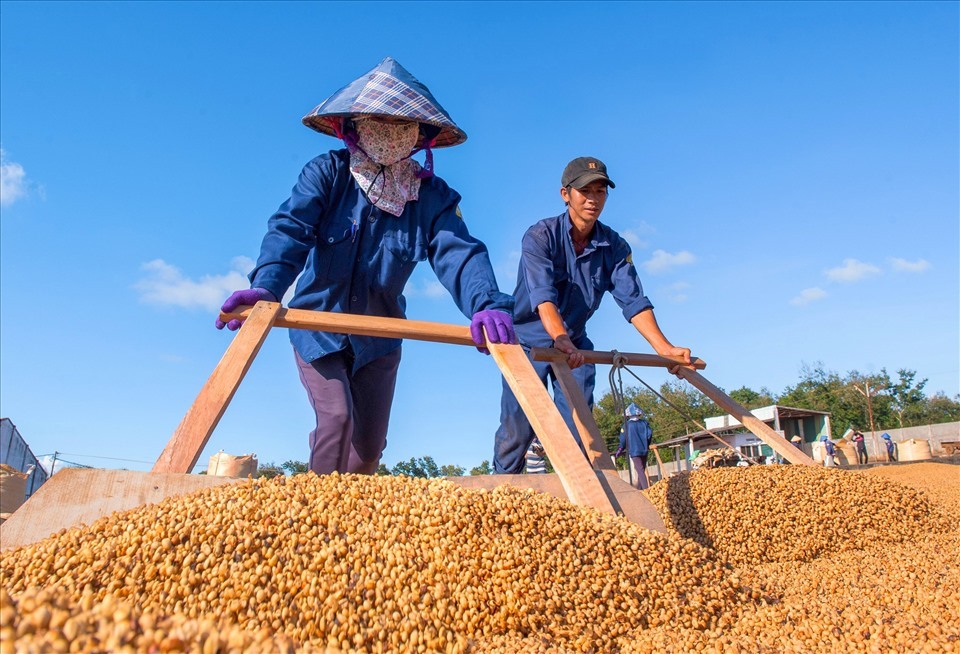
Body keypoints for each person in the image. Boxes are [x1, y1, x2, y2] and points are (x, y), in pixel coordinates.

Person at [215, 58, 516, 475]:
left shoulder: (431, 196)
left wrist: (486, 302)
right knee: (337, 419)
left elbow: (459, 252)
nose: (390, 133)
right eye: (378, 121)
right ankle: (315, 519)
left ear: (420, 135)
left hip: (381, 335)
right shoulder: (328, 174)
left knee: (370, 447)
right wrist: (268, 286)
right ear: (353, 126)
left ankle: (358, 528)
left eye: (401, 125)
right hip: (318, 326)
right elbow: (291, 230)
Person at [493, 156, 691, 474]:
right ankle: (504, 488)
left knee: (580, 427)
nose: (593, 199)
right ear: (565, 194)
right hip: (528, 340)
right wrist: (559, 340)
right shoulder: (540, 236)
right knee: (517, 428)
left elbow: (634, 301)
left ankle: (576, 493)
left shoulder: (613, 245)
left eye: (600, 191)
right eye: (585, 191)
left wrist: (664, 349)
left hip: (574, 341)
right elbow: (543, 297)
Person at [615, 403, 654, 489]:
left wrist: (620, 449)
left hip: (634, 451)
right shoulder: (644, 423)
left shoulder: (626, 425)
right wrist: (647, 444)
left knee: (640, 471)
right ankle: (639, 489)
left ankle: (647, 490)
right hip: (644, 450)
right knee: (642, 469)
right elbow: (649, 435)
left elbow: (623, 439)